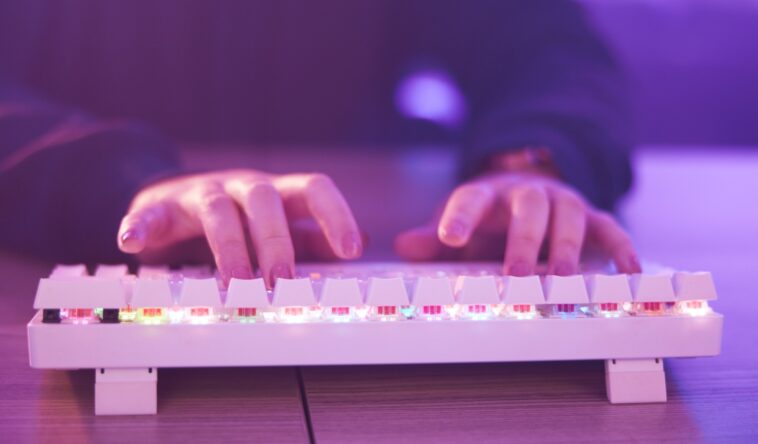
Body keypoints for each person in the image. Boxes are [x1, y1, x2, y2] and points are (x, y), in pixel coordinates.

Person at [0, 0, 639, 287]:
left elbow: (548, 45)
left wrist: (530, 164)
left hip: (354, 251)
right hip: (59, 248)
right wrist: (122, 186)